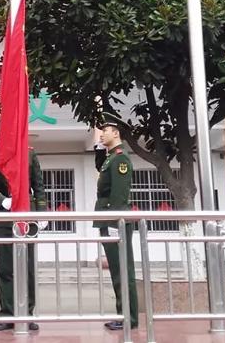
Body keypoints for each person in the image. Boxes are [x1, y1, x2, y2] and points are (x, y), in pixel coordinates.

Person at [0, 117, 48, 332]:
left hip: (27, 215)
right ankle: (8, 314)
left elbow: (38, 186)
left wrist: (42, 213)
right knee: (6, 268)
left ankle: (27, 313)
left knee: (27, 268)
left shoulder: (29, 154)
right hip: (5, 216)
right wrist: (3, 200)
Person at [93, 112, 138, 331]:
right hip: (107, 218)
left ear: (116, 133)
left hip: (114, 220)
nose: (102, 135)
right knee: (116, 270)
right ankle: (123, 314)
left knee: (122, 270)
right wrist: (98, 151)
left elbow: (119, 195)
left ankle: (129, 317)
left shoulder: (120, 158)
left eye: (105, 131)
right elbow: (102, 173)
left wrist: (113, 224)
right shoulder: (111, 157)